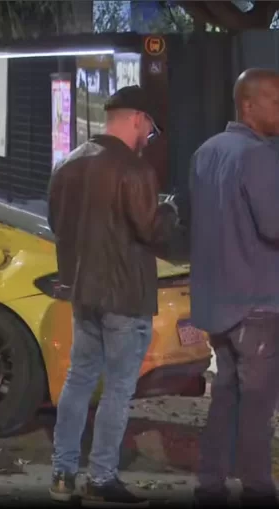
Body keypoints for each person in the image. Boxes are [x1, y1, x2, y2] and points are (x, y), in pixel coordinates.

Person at [47, 85, 177, 507]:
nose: (148, 138)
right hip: (125, 296)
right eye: (150, 130)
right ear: (138, 118)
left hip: (83, 292)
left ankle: (63, 474)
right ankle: (102, 476)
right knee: (119, 389)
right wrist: (170, 212)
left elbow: (56, 224)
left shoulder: (67, 164)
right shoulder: (134, 170)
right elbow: (151, 231)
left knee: (79, 379)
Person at [189, 68, 279, 506]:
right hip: (257, 303)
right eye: (276, 102)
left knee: (225, 397)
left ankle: (210, 483)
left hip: (216, 304)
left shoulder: (206, 152)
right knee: (258, 406)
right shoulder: (258, 155)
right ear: (248, 105)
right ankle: (259, 488)